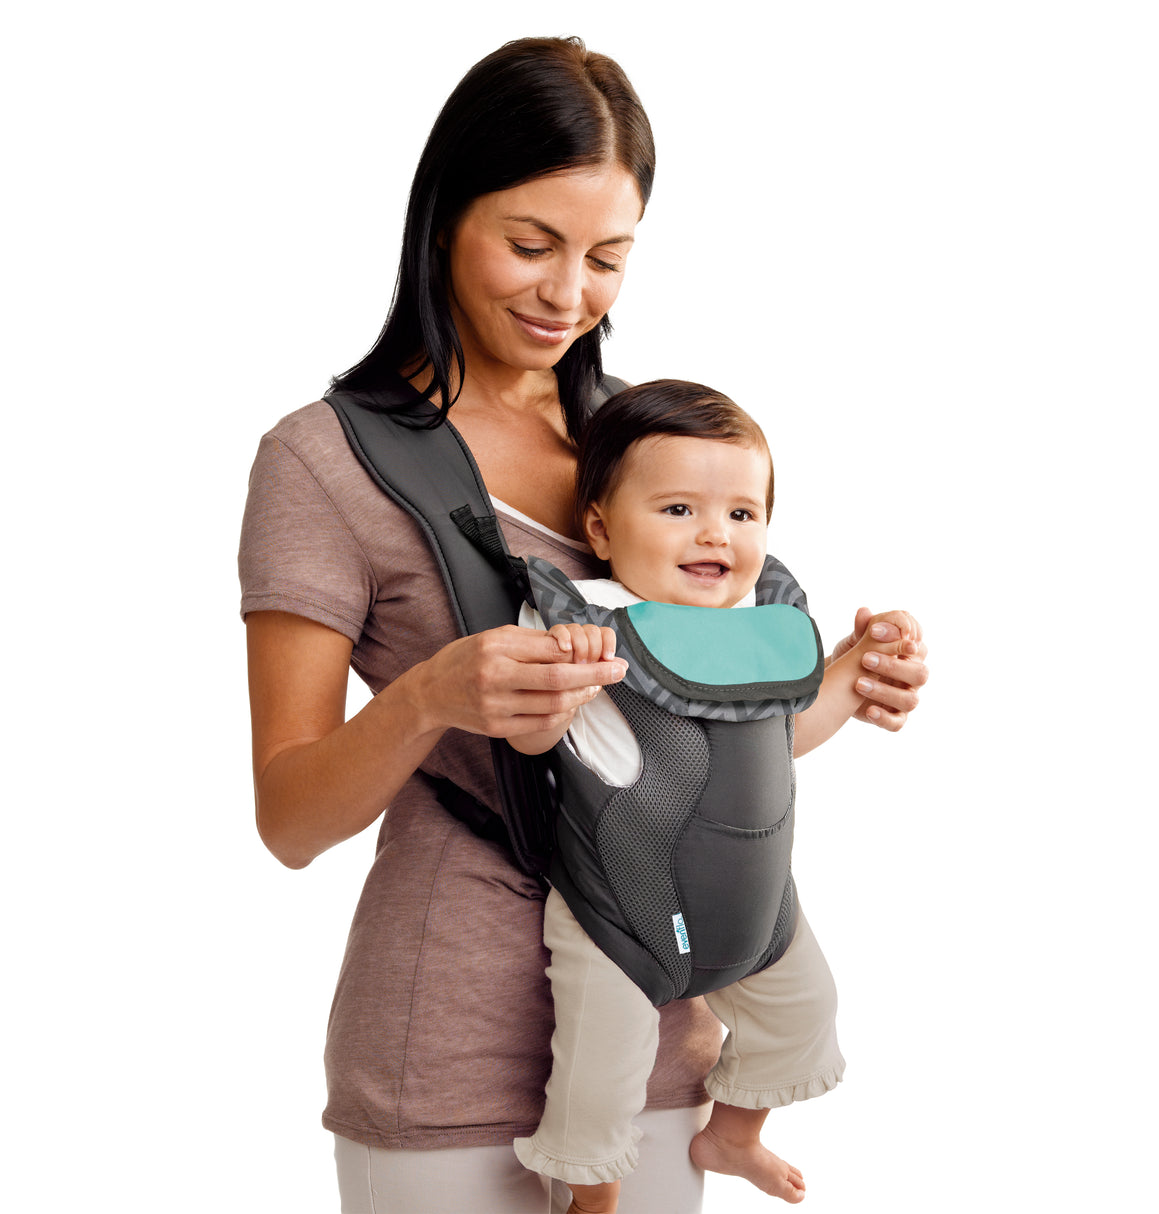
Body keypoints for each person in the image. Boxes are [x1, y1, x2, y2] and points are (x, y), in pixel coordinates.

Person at [238, 35, 929, 1214]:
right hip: (442, 1050)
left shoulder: (652, 461)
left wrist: (834, 685)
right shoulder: (326, 462)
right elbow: (290, 817)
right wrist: (427, 697)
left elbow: (684, 734)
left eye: (607, 257)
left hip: (654, 1037)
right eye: (530, 245)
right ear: (442, 217)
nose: (569, 295)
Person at [505, 381, 920, 1212]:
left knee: (806, 1010)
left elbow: (791, 732)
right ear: (600, 527)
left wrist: (862, 663)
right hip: (618, 907)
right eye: (678, 509)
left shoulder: (762, 624)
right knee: (602, 1069)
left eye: (742, 515)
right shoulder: (583, 618)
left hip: (756, 906)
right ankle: (594, 1199)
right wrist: (561, 665)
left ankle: (733, 1134)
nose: (714, 535)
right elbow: (526, 740)